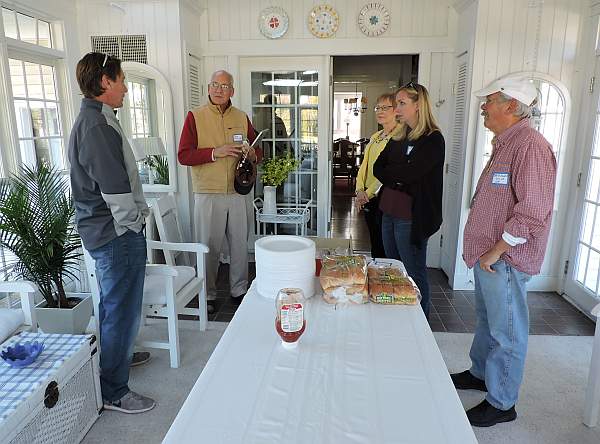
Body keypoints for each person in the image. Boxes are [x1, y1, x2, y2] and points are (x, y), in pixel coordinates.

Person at [451, 77, 556, 427]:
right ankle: (480, 373)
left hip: (505, 259)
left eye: (490, 100)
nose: (483, 106)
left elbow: (534, 210)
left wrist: (497, 251)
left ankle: (501, 402)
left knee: (507, 331)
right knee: (488, 320)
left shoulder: (530, 146)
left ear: (512, 105)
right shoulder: (506, 143)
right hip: (489, 256)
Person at [68, 52, 155, 414]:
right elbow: (116, 191)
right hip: (116, 234)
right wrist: (135, 225)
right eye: (121, 80)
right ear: (105, 81)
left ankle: (118, 359)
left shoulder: (97, 119)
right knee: (120, 308)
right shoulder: (97, 126)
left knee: (117, 306)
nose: (125, 88)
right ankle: (114, 390)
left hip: (108, 230)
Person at [178, 70, 260, 308]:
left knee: (239, 245)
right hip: (208, 193)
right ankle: (207, 294)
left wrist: (254, 154)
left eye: (225, 86)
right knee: (208, 246)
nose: (219, 89)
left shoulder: (242, 117)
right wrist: (216, 152)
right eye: (215, 84)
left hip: (238, 191)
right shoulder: (195, 116)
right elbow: (184, 155)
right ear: (208, 88)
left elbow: (258, 150)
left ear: (232, 91)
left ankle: (239, 290)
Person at [373, 83, 445, 318]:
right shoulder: (399, 135)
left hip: (413, 217)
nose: (397, 109)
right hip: (389, 210)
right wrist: (400, 174)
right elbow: (378, 168)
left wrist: (397, 173)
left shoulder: (433, 140)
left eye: (402, 103)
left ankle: (420, 321)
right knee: (394, 268)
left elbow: (410, 174)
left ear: (418, 105)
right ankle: (400, 317)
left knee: (413, 272)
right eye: (397, 104)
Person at [354, 93, 402, 258]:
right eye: (377, 108)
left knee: (385, 244)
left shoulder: (398, 137)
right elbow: (364, 166)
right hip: (368, 195)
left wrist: (366, 194)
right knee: (374, 240)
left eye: (385, 108)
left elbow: (387, 171)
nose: (380, 111)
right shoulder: (376, 137)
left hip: (383, 196)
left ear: (397, 110)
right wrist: (359, 190)